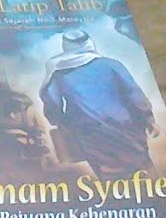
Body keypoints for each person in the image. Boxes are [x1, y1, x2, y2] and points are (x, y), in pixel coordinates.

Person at [38, 29, 159, 177]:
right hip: (128, 127)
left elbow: (53, 106)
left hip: (91, 133)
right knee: (144, 166)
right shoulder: (112, 65)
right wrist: (149, 120)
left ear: (66, 46)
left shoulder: (58, 74)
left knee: (110, 174)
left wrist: (62, 123)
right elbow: (134, 94)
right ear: (88, 43)